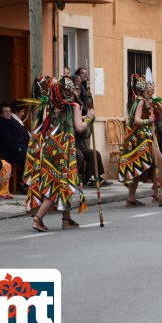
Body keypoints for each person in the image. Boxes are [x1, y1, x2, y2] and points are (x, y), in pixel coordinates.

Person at [24, 76, 95, 232]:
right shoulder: (73, 106)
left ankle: (66, 219)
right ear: (69, 90)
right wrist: (89, 118)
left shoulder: (49, 105)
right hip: (63, 149)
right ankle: (38, 218)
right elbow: (80, 127)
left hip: (48, 148)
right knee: (57, 184)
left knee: (62, 182)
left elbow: (47, 124)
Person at [119, 72, 162, 207]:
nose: (153, 88)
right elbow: (136, 120)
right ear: (144, 89)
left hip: (146, 138)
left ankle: (140, 196)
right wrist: (147, 120)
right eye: (150, 86)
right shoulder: (140, 101)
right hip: (138, 139)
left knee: (140, 166)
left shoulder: (151, 101)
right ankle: (154, 193)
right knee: (150, 164)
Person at [71, 74, 112, 188]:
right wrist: (88, 118)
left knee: (94, 153)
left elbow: (84, 131)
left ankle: (93, 178)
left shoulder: (76, 107)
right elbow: (79, 127)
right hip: (68, 145)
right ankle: (72, 179)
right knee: (78, 155)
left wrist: (88, 119)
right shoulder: (70, 108)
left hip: (78, 144)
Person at [0, 102, 28, 176]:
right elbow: (7, 141)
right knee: (27, 158)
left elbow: (18, 136)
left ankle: (25, 181)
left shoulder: (11, 122)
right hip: (4, 152)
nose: (8, 113)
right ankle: (24, 182)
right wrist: (19, 148)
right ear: (0, 113)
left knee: (29, 155)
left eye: (9, 111)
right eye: (6, 111)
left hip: (13, 149)